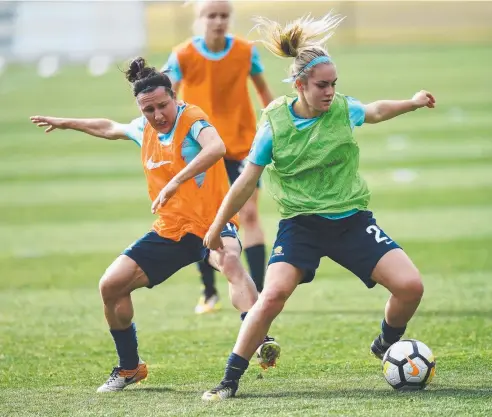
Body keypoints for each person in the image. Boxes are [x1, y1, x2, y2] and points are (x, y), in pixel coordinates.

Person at [200, 12, 435, 401]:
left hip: (351, 222)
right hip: (301, 227)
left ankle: (385, 343)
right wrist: (217, 224)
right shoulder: (274, 125)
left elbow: (375, 111)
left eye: (334, 84)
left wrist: (411, 103)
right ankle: (229, 379)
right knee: (271, 297)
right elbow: (245, 182)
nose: (330, 92)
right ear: (300, 85)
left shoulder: (343, 109)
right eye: (322, 86)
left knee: (410, 286)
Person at [29, 57, 280, 393]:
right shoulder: (142, 128)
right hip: (171, 230)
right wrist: (67, 123)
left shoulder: (193, 121)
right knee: (110, 286)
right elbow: (109, 127)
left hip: (211, 224)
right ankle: (130, 367)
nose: (158, 115)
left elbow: (217, 148)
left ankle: (261, 339)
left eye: (163, 106)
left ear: (174, 98)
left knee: (232, 261)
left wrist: (176, 180)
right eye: (149, 110)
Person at [163, 0, 275, 314]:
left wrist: (276, 121)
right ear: (200, 19)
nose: (218, 21)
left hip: (241, 144)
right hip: (200, 149)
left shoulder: (245, 51)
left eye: (224, 15)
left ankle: (262, 290)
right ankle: (209, 291)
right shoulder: (183, 54)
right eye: (211, 15)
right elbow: (165, 95)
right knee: (203, 220)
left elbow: (264, 91)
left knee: (250, 214)